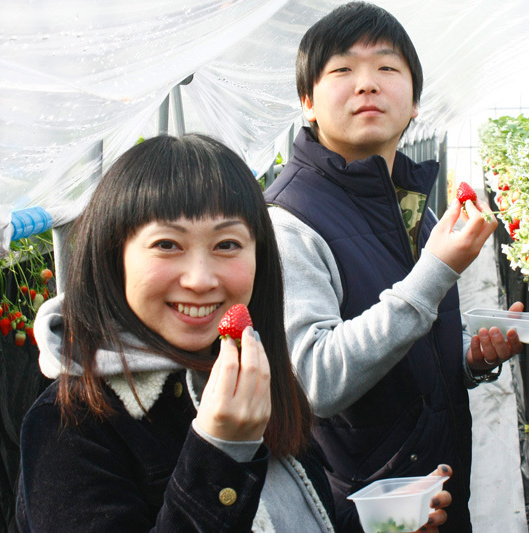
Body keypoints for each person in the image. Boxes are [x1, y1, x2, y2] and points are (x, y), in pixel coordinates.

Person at [14, 133, 451, 532]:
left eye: (227, 245)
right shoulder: (70, 424)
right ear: (114, 255)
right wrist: (221, 450)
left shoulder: (247, 372)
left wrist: (379, 524)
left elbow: (285, 515)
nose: (201, 279)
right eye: (167, 245)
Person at [263, 3, 525, 531]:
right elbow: (313, 380)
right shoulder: (288, 222)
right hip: (364, 509)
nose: (367, 85)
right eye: (342, 70)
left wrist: (470, 362)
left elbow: (407, 348)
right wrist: (436, 272)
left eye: (387, 68)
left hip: (437, 494)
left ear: (415, 104)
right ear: (307, 102)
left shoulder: (408, 201)